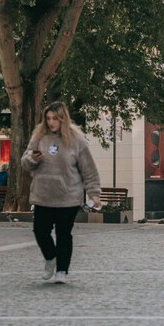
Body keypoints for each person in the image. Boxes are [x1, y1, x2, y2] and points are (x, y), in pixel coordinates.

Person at [21, 101, 101, 285]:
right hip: (43, 195)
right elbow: (25, 161)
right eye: (48, 118)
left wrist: (93, 193)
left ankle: (62, 270)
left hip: (68, 196)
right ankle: (50, 258)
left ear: (62, 118)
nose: (51, 122)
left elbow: (88, 169)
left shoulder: (76, 140)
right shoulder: (39, 137)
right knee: (40, 231)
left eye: (55, 118)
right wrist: (32, 158)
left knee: (64, 234)